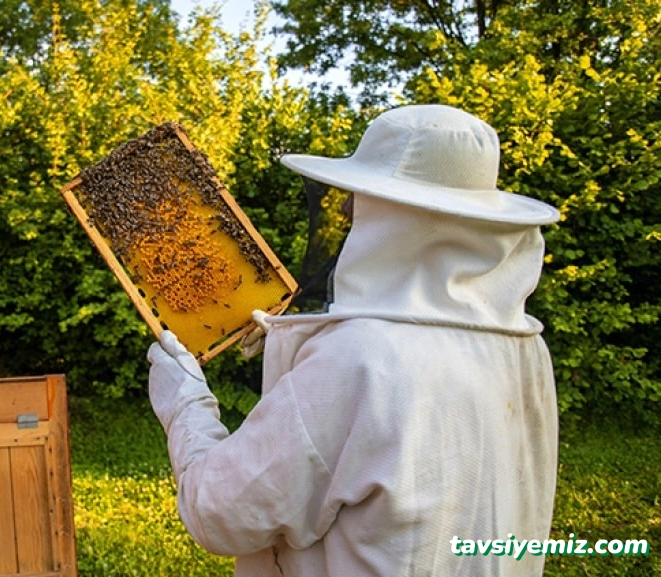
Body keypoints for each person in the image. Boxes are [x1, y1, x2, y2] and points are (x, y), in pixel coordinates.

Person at [146, 104, 560, 576]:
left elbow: (219, 512)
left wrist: (184, 403)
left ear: (395, 215)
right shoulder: (526, 350)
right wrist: (287, 343)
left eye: (361, 197)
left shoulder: (358, 359)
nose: (345, 208)